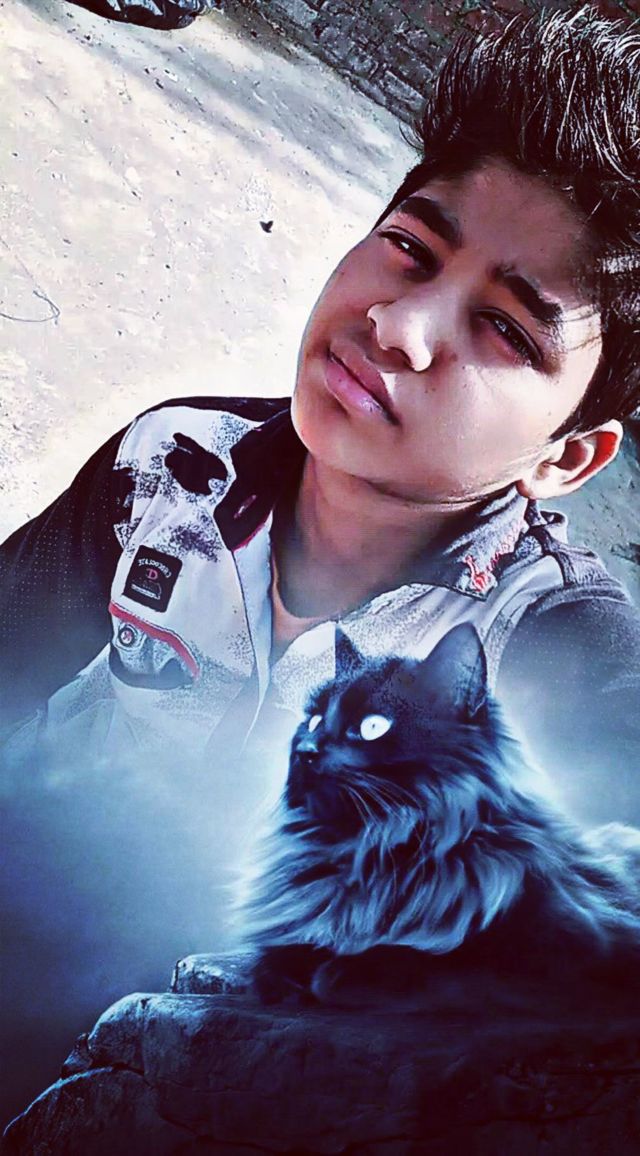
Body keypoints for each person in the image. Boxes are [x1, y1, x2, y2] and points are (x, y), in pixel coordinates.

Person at [1, 6, 639, 827]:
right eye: (411, 248)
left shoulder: (543, 655)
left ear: (567, 457)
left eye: (507, 329)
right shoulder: (170, 469)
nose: (398, 327)